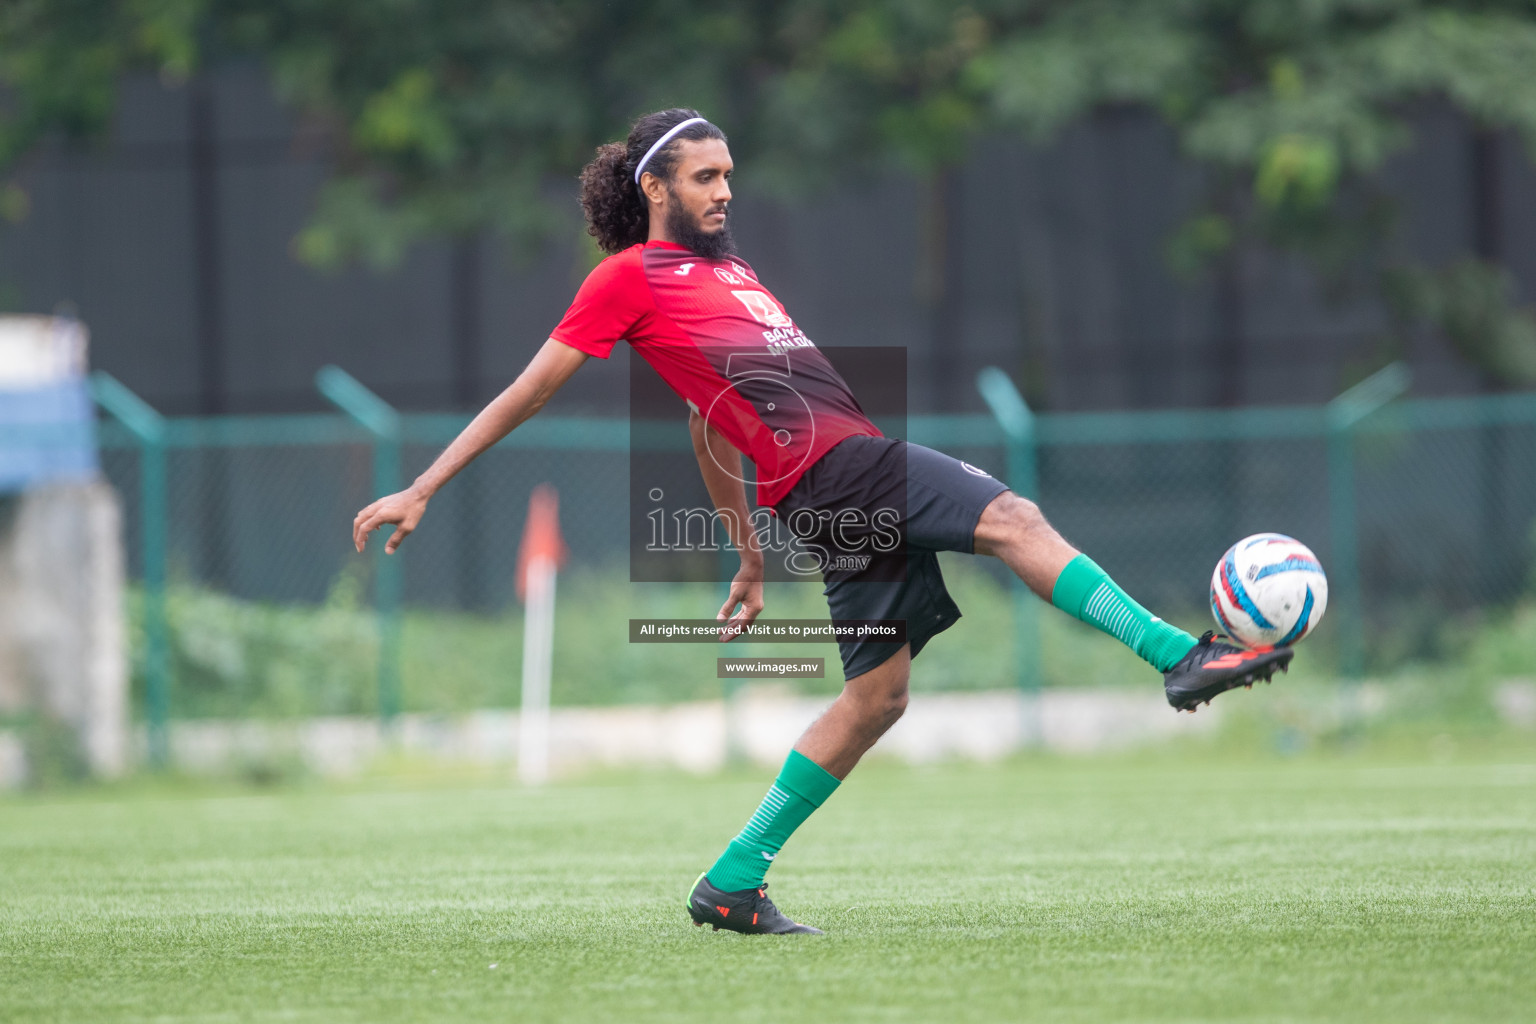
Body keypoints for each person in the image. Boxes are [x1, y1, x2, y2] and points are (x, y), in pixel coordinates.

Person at [351, 108, 1293, 936]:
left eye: (730, 175)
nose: (726, 191)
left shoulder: (732, 272)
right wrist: (423, 485)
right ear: (654, 185)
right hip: (841, 471)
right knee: (1012, 517)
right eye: (706, 176)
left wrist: (749, 556)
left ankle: (730, 882)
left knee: (877, 699)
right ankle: (1178, 654)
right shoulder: (627, 279)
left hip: (824, 488)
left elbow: (703, 419)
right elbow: (528, 391)